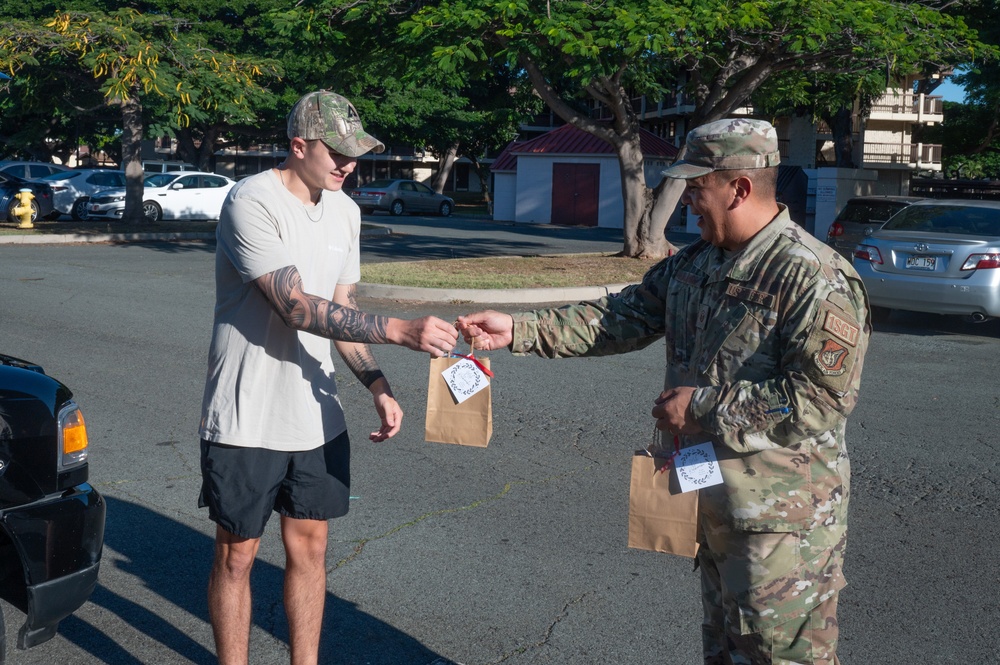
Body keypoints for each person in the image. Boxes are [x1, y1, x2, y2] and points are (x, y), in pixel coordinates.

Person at [458, 118, 870, 665]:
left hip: (781, 525)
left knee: (781, 656)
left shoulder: (813, 276)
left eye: (696, 188)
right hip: (712, 499)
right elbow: (622, 316)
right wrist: (519, 330)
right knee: (724, 647)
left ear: (739, 188)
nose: (686, 202)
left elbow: (821, 400)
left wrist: (699, 406)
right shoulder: (697, 262)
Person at [198, 90, 459, 665]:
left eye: (355, 154)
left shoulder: (347, 210)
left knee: (311, 550)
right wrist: (399, 329)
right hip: (246, 414)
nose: (348, 164)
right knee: (236, 557)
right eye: (337, 152)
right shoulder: (252, 202)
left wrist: (377, 385)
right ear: (298, 146)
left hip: (317, 416)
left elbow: (341, 312)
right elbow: (295, 306)